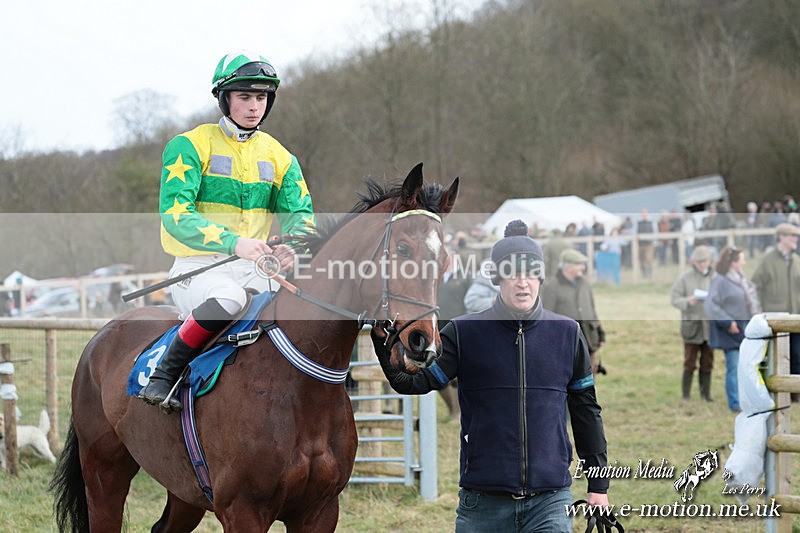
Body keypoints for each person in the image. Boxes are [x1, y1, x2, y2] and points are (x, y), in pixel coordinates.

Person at [372, 220, 609, 532]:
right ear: (498, 278)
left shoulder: (567, 333)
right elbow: (411, 382)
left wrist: (598, 486)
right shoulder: (464, 332)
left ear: (540, 278)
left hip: (550, 500)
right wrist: (381, 338)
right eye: (512, 274)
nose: (522, 283)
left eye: (530, 274)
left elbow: (586, 412)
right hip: (483, 503)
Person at [139, 50, 314, 412]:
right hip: (197, 268)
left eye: (261, 97)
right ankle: (165, 375)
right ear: (224, 98)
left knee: (311, 305)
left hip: (258, 268)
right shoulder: (188, 146)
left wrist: (293, 248)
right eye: (245, 97)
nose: (254, 107)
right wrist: (235, 243)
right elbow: (176, 216)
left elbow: (302, 217)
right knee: (231, 298)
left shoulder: (282, 158)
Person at [704, 247, 761, 412]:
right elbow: (711, 305)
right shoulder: (720, 281)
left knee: (746, 366)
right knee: (734, 365)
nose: (744, 262)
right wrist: (727, 322)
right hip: (730, 330)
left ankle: (746, 399)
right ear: (733, 262)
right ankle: (735, 403)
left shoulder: (740, 278)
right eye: (741, 259)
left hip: (744, 327)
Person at [540, 248, 606, 375]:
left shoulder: (585, 284)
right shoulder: (552, 287)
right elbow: (546, 318)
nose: (583, 267)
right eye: (579, 264)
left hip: (589, 339)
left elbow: (592, 310)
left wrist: (600, 333)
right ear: (568, 266)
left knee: (589, 376)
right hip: (566, 344)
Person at [751, 223, 800, 386]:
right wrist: (757, 310)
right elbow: (754, 286)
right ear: (782, 238)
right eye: (792, 236)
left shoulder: (797, 260)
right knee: (775, 358)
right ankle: (773, 389)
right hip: (775, 320)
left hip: (796, 318)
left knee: (797, 355)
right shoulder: (767, 261)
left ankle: (795, 392)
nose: (796, 239)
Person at [670, 245, 714, 401]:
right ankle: (686, 395)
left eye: (705, 261)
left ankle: (706, 394)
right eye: (699, 261)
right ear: (694, 262)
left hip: (709, 327)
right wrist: (687, 301)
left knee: (707, 362)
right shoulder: (684, 278)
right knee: (689, 362)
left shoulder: (715, 277)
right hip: (691, 327)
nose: (702, 264)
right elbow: (674, 299)